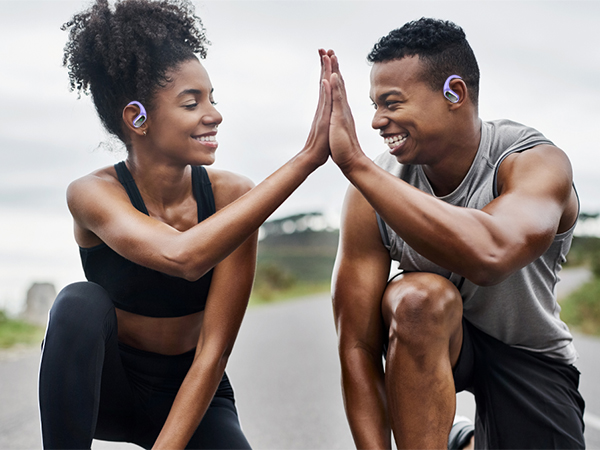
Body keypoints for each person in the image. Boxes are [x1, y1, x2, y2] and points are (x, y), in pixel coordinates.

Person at [38, 1, 332, 448]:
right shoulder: (92, 194)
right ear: (138, 118)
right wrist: (307, 159)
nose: (213, 114)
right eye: (192, 102)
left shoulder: (233, 197)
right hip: (107, 391)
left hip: (192, 389)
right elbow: (183, 257)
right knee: (78, 302)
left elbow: (214, 351)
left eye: (213, 99)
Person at [326, 18, 585, 449]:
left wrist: (355, 164)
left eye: (391, 103)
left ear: (454, 93)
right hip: (437, 338)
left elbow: (491, 253)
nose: (375, 122)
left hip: (528, 355)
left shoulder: (533, 161)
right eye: (373, 105)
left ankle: (461, 440)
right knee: (417, 300)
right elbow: (357, 347)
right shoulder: (372, 189)